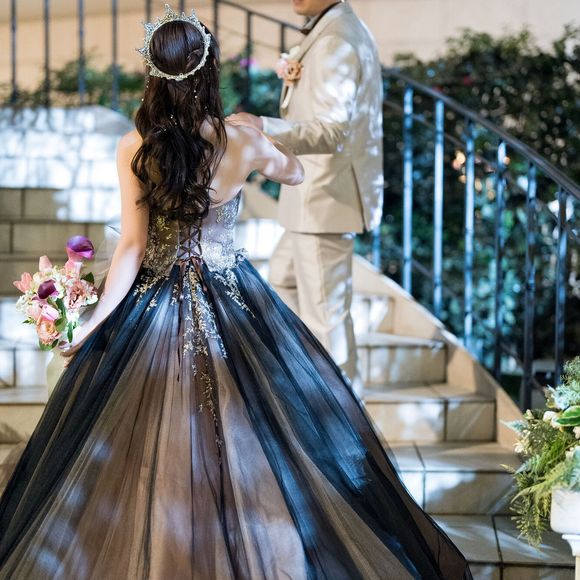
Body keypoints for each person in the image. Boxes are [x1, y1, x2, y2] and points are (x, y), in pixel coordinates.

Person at [0, 6, 471, 579]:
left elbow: (131, 249)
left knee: (147, 449)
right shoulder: (240, 142)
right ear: (209, 72)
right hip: (234, 302)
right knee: (253, 440)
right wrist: (261, 128)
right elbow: (296, 172)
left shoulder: (135, 146)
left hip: (152, 305)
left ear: (152, 73)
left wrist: (92, 325)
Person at [229, 0, 383, 392]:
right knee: (281, 284)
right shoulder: (334, 29)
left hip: (324, 199)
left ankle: (343, 414)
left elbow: (332, 131)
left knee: (327, 319)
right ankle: (304, 383)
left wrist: (262, 126)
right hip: (312, 201)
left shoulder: (336, 39)